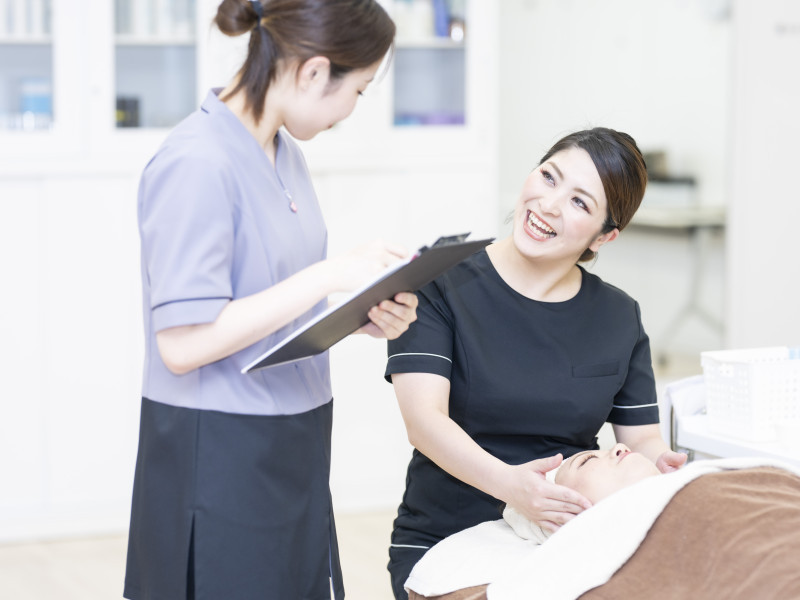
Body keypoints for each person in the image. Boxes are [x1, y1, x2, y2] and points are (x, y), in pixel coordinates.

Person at [123, 2, 418, 599]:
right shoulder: (196, 161)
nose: (352, 110)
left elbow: (269, 301)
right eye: (358, 90)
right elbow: (183, 345)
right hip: (221, 449)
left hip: (297, 436)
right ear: (314, 72)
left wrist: (356, 315)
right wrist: (330, 276)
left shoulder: (284, 153)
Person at [383, 127, 687, 599]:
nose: (548, 204)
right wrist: (512, 487)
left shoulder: (618, 316)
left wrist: (658, 463)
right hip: (447, 538)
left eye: (580, 202)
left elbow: (641, 439)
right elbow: (424, 422)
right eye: (549, 177)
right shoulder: (440, 282)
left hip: (567, 540)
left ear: (605, 236)